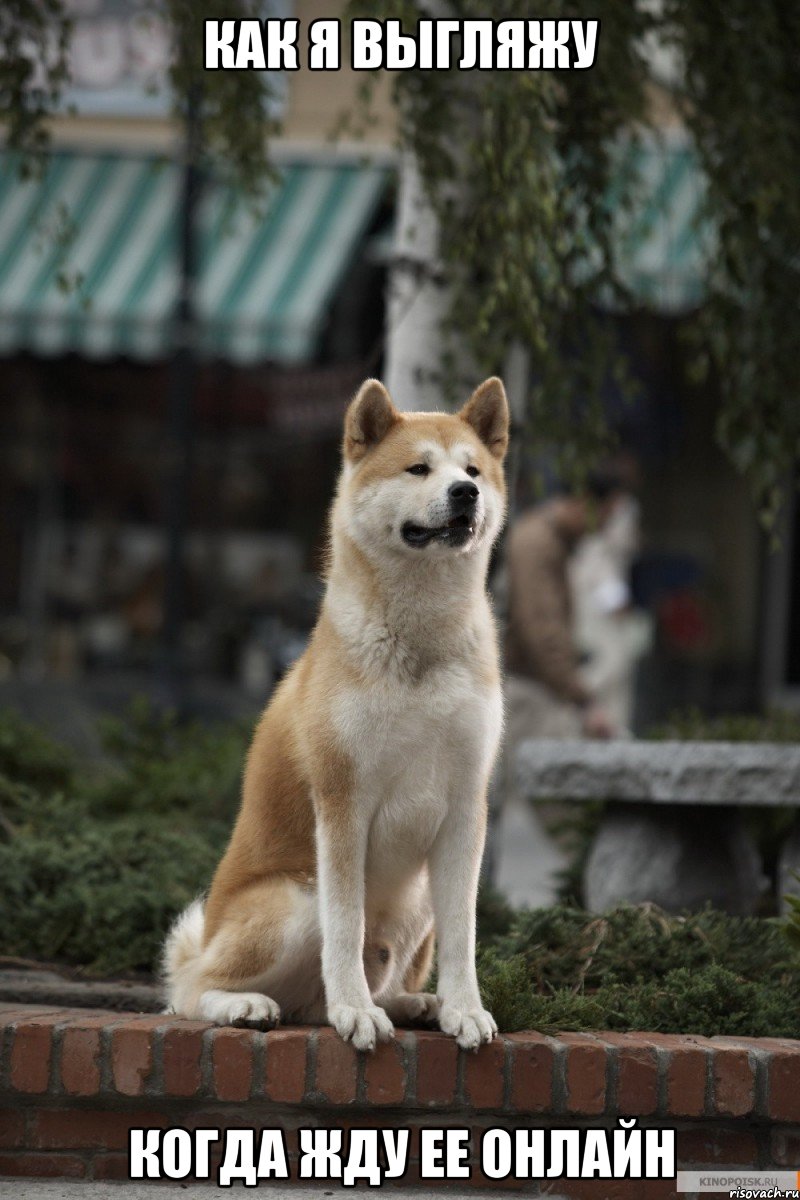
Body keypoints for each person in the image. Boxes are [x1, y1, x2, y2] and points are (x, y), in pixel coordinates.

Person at [504, 470, 627, 742]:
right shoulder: (538, 544)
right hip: (526, 691)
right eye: (607, 515)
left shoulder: (551, 541)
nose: (605, 527)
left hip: (537, 687)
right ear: (586, 502)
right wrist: (583, 700)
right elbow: (542, 630)